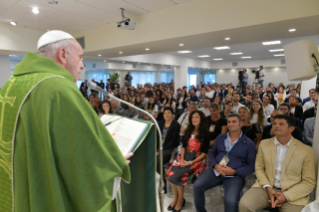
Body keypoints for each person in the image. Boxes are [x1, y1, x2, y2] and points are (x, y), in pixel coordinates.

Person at [0, 30, 132, 212]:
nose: (82, 66)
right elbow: (81, 158)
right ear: (62, 54)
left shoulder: (11, 85)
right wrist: (112, 163)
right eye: (80, 58)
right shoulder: (60, 88)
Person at [239, 115, 316, 212]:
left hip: (293, 192)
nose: (276, 126)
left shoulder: (306, 150)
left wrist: (286, 196)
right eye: (274, 123)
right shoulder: (264, 144)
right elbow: (259, 168)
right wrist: (268, 187)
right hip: (266, 188)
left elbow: (309, 181)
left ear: (291, 128)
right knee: (245, 205)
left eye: (281, 124)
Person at [193, 114, 256, 212]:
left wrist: (235, 171)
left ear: (240, 124)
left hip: (234, 176)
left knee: (230, 201)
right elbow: (212, 153)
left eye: (234, 121)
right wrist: (215, 165)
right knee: (197, 186)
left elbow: (251, 166)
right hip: (216, 170)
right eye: (229, 122)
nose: (231, 124)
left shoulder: (248, 143)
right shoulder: (221, 137)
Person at [166, 111, 210, 212]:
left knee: (178, 174)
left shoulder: (205, 134)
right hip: (185, 156)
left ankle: (181, 200)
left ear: (201, 119)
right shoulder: (188, 131)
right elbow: (183, 147)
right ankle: (176, 198)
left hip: (196, 160)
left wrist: (190, 162)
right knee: (170, 172)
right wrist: (181, 159)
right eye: (192, 117)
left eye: (197, 117)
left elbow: (204, 153)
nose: (194, 119)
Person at [157, 107, 180, 193]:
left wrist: (160, 150)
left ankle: (165, 182)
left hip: (170, 149)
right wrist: (157, 149)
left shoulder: (176, 125)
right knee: (154, 161)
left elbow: (173, 141)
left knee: (159, 161)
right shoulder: (160, 123)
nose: (167, 115)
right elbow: (156, 137)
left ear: (172, 115)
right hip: (160, 147)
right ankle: (166, 178)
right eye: (165, 113)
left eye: (168, 113)